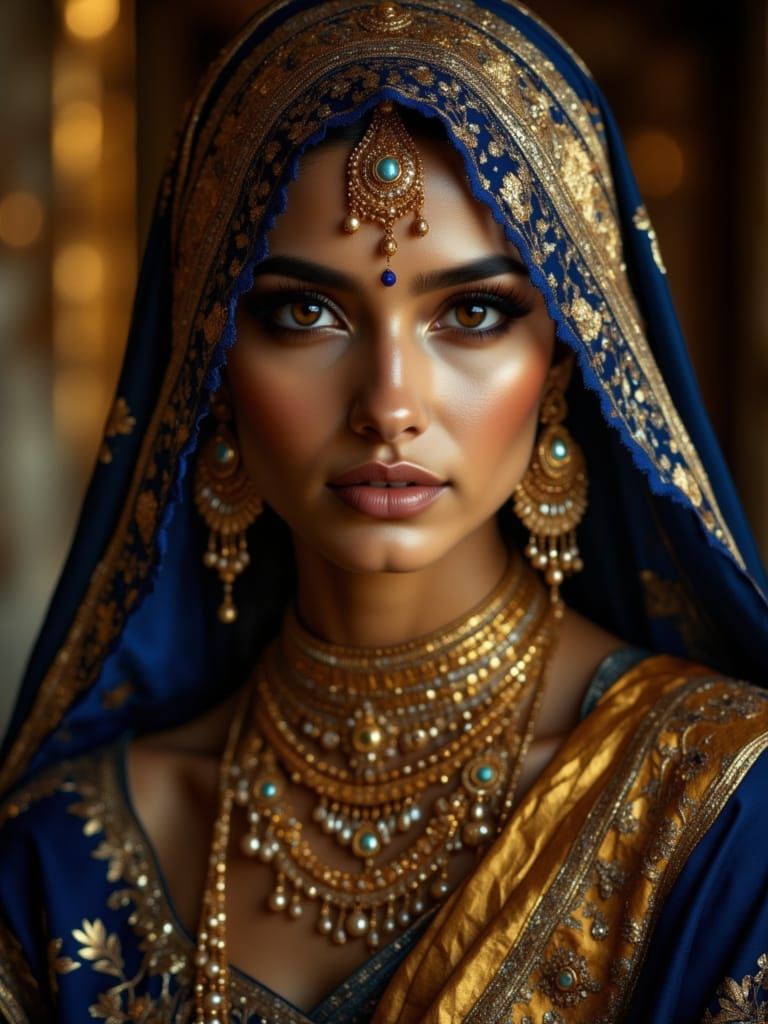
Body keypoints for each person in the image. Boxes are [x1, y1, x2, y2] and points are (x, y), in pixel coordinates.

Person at [1, 1, 767, 1021]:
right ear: (212, 367)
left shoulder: (717, 810)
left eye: (473, 312)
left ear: (564, 369)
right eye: (304, 312)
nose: (390, 404)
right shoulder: (55, 864)